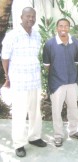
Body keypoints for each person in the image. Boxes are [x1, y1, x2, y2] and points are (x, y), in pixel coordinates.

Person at [1, 7, 47, 157]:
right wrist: (7, 77)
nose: (31, 19)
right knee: (20, 113)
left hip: (34, 80)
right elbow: (5, 58)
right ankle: (19, 144)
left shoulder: (37, 35)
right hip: (19, 81)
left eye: (33, 16)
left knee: (35, 111)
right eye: (28, 16)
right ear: (21, 17)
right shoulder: (12, 35)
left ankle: (34, 137)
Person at [43, 18, 78, 147]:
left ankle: (73, 131)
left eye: (66, 26)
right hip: (56, 83)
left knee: (73, 108)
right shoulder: (49, 44)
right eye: (60, 26)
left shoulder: (76, 43)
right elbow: (47, 65)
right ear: (56, 28)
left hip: (72, 81)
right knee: (57, 110)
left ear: (69, 28)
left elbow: (76, 62)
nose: (63, 28)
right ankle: (58, 136)